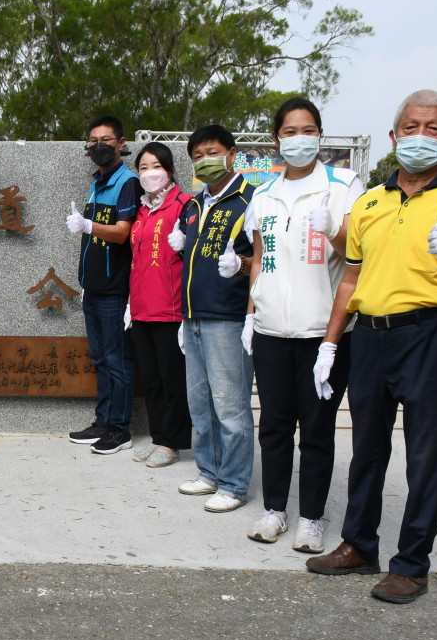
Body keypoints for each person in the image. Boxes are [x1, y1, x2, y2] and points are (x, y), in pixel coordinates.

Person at [305, 90, 437, 604]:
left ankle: (411, 564)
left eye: (433, 129)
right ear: (394, 135)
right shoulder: (371, 202)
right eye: (411, 126)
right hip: (371, 337)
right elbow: (352, 272)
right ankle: (359, 545)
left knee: (426, 456)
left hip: (431, 336)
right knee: (367, 449)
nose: (420, 137)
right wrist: (330, 342)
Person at [245, 97, 364, 552]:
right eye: (290, 131)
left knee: (316, 429)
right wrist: (251, 315)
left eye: (308, 129)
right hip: (272, 332)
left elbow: (354, 256)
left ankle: (311, 518)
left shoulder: (343, 185)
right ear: (278, 139)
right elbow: (259, 260)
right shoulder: (263, 194)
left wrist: (333, 228)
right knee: (274, 425)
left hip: (323, 335)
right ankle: (274, 509)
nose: (300, 138)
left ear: (320, 135)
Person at [172, 125, 256, 513]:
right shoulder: (192, 205)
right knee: (200, 403)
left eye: (212, 152)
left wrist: (240, 265)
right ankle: (208, 472)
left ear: (232, 154)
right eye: (198, 155)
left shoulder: (251, 199)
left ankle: (235, 483)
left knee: (230, 405)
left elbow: (265, 260)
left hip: (229, 317)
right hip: (194, 316)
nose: (205, 160)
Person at [65, 115, 143, 455]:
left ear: (121, 143)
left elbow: (124, 232)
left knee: (117, 358)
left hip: (115, 290)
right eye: (93, 139)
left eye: (106, 139)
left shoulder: (128, 182)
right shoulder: (97, 181)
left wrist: (87, 226)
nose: (99, 145)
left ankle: (120, 429)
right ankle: (103, 420)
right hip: (93, 289)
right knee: (100, 357)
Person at [126, 142, 193, 469]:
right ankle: (158, 437)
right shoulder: (141, 211)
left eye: (156, 166)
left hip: (171, 309)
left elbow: (192, 256)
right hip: (141, 309)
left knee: (172, 379)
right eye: (143, 168)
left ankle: (172, 442)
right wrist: (130, 303)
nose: (149, 173)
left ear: (169, 170)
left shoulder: (185, 205)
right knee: (151, 379)